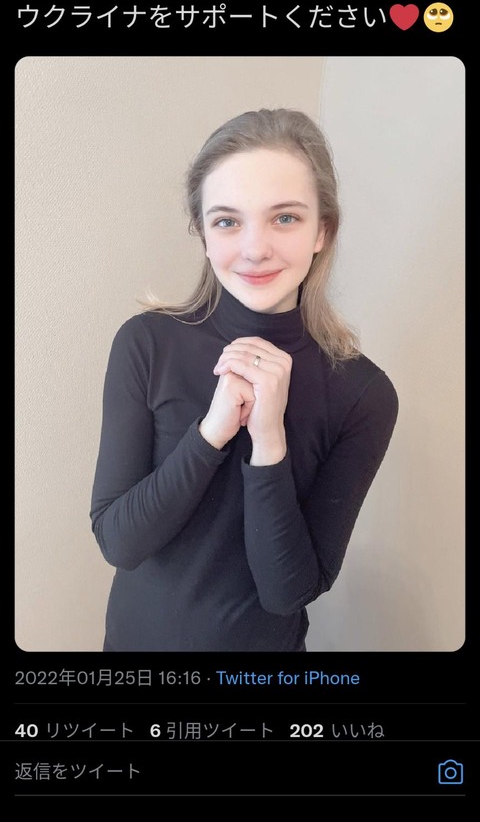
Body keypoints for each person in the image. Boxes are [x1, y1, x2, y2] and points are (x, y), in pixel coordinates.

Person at [90, 108, 399, 652]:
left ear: (323, 230)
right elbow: (119, 542)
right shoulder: (147, 344)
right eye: (227, 221)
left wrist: (269, 442)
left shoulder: (363, 395)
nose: (255, 248)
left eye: (285, 218)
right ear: (204, 235)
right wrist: (210, 434)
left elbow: (288, 592)